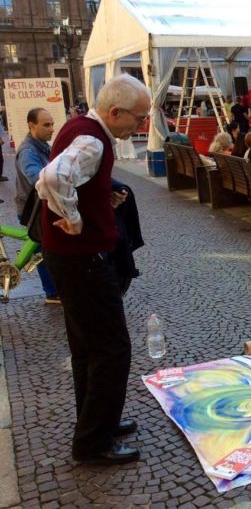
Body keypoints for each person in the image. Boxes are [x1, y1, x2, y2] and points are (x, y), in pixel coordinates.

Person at [35, 73, 150, 465]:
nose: (140, 126)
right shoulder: (93, 138)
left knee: (87, 348)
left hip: (68, 257)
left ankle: (96, 424)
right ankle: (94, 443)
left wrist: (96, 204)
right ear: (115, 112)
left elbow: (63, 179)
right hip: (80, 259)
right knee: (111, 348)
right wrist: (74, 217)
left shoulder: (81, 128)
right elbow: (52, 177)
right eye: (137, 118)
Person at [13, 107, 59, 303]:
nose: (52, 128)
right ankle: (51, 292)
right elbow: (36, 177)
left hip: (40, 206)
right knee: (42, 250)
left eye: (52, 124)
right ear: (32, 126)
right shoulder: (27, 151)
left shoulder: (42, 145)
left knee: (46, 248)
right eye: (46, 125)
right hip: (31, 209)